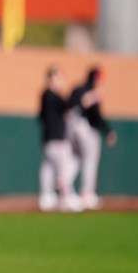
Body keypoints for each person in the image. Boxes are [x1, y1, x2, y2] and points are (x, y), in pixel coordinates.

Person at [68, 66, 117, 210]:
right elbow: (96, 114)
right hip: (86, 128)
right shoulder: (93, 92)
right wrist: (107, 131)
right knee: (90, 161)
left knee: (76, 159)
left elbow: (69, 106)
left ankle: (64, 186)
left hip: (72, 127)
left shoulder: (77, 89)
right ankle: (87, 194)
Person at [36, 65, 81, 213]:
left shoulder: (45, 96)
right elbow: (68, 105)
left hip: (48, 138)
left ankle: (46, 196)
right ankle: (66, 197)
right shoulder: (51, 95)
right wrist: (76, 94)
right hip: (57, 139)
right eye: (58, 78)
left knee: (48, 168)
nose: (60, 81)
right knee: (63, 168)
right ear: (50, 79)